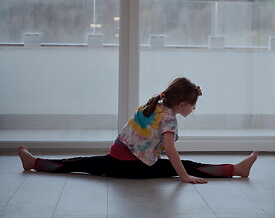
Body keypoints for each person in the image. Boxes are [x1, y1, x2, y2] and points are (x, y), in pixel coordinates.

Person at [18, 77, 258, 184]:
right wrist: (183, 175)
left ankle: (35, 163)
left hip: (115, 158)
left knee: (78, 163)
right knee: (189, 165)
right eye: (193, 106)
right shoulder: (169, 119)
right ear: (182, 104)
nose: (193, 110)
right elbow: (171, 150)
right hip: (133, 168)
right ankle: (236, 169)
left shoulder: (153, 105)